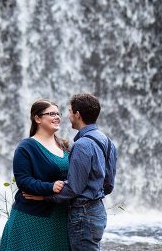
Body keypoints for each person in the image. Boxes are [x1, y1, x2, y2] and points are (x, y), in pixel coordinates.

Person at [23, 93, 118, 251]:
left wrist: (44, 196)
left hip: (83, 213)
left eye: (69, 111)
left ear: (77, 115)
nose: (66, 116)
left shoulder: (81, 145)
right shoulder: (107, 142)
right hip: (98, 211)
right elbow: (109, 185)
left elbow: (74, 188)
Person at [0, 99, 70, 251]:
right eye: (51, 114)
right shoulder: (26, 147)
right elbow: (23, 181)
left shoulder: (64, 145)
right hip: (31, 218)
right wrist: (50, 187)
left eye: (58, 113)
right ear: (37, 118)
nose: (57, 117)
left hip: (60, 217)